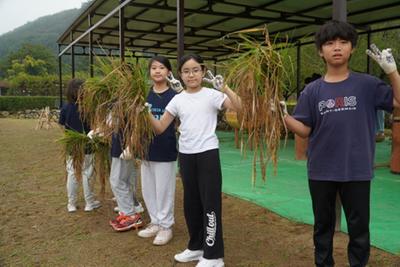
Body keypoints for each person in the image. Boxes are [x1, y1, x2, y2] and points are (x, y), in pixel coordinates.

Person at [281, 20, 400, 267]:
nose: (337, 48)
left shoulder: (367, 84)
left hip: (356, 169)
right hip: (321, 170)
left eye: (343, 42)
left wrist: (392, 72)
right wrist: (282, 115)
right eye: (330, 43)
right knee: (322, 225)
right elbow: (304, 130)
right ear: (320, 50)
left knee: (359, 227)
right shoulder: (312, 91)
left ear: (352, 48)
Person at [147, 54, 241, 267]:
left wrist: (224, 87)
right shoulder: (178, 98)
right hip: (186, 155)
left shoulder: (212, 95)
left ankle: (214, 255)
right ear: (180, 74)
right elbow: (161, 127)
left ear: (203, 71)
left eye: (196, 70)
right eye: (187, 71)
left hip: (207, 153)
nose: (191, 74)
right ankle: (196, 246)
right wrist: (146, 113)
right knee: (191, 203)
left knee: (210, 203)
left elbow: (241, 107)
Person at [137, 56, 178, 245]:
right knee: (148, 189)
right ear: (150, 72)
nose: (157, 71)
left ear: (169, 72)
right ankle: (154, 222)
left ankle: (165, 226)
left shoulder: (175, 95)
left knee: (164, 190)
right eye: (154, 68)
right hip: (146, 148)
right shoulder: (145, 95)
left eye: (162, 67)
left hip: (165, 148)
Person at [59, 79, 101, 213]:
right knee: (87, 173)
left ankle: (71, 204)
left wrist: (69, 136)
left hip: (72, 145)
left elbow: (61, 125)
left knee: (72, 173)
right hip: (88, 144)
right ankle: (89, 203)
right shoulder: (89, 107)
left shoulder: (66, 107)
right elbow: (95, 126)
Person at [107, 129, 144, 231]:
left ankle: (130, 216)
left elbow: (136, 125)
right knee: (122, 181)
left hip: (123, 146)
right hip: (119, 144)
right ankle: (126, 212)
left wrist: (130, 146)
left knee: (118, 181)